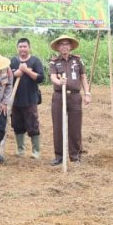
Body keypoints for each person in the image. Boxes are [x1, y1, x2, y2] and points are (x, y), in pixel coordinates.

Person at [48, 35, 91, 165]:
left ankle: (75, 156)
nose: (64, 46)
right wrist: (59, 82)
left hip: (75, 96)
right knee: (58, 126)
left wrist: (87, 93)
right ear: (58, 47)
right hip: (58, 96)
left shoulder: (78, 60)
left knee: (75, 127)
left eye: (67, 44)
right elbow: (53, 77)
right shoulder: (54, 61)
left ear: (71, 46)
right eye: (61, 44)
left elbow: (83, 77)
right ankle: (59, 156)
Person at [9, 37, 45, 158]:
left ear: (29, 48)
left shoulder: (35, 61)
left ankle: (36, 151)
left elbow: (41, 78)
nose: (23, 49)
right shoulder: (13, 61)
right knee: (17, 125)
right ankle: (20, 150)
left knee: (33, 124)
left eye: (25, 46)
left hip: (30, 99)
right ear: (17, 48)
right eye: (20, 46)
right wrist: (15, 73)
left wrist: (26, 71)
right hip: (15, 100)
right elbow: (6, 76)